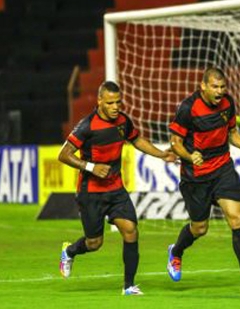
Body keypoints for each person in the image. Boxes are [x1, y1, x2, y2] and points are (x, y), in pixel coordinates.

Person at [57, 81, 177, 296]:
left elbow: (137, 140)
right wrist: (91, 167)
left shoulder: (123, 121)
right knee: (94, 243)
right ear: (100, 101)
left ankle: (129, 286)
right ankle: (69, 251)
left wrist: (161, 154)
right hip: (90, 191)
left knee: (130, 231)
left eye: (118, 102)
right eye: (110, 103)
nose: (115, 107)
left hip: (116, 189)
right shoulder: (87, 126)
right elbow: (63, 155)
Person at [167, 67, 240, 293]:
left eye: (223, 87)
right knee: (200, 228)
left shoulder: (228, 103)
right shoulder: (188, 108)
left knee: (237, 217)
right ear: (203, 86)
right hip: (196, 176)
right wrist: (188, 156)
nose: (220, 91)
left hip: (222, 169)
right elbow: (175, 142)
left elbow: (232, 134)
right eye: (215, 86)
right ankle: (176, 251)